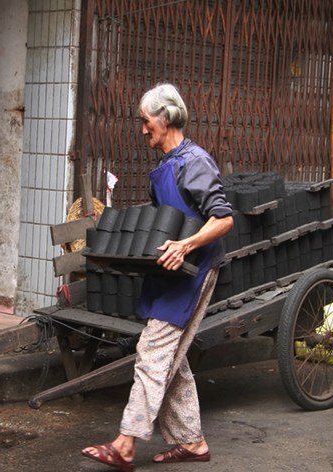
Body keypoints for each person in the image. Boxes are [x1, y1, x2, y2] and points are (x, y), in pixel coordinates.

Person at [82, 83, 234, 471]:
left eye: (145, 121)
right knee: (172, 356)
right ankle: (192, 442)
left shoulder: (195, 162)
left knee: (153, 351)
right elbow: (160, 220)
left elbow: (224, 219)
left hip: (194, 269)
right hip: (169, 270)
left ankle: (126, 443)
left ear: (164, 118)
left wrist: (185, 246)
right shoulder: (161, 170)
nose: (142, 129)